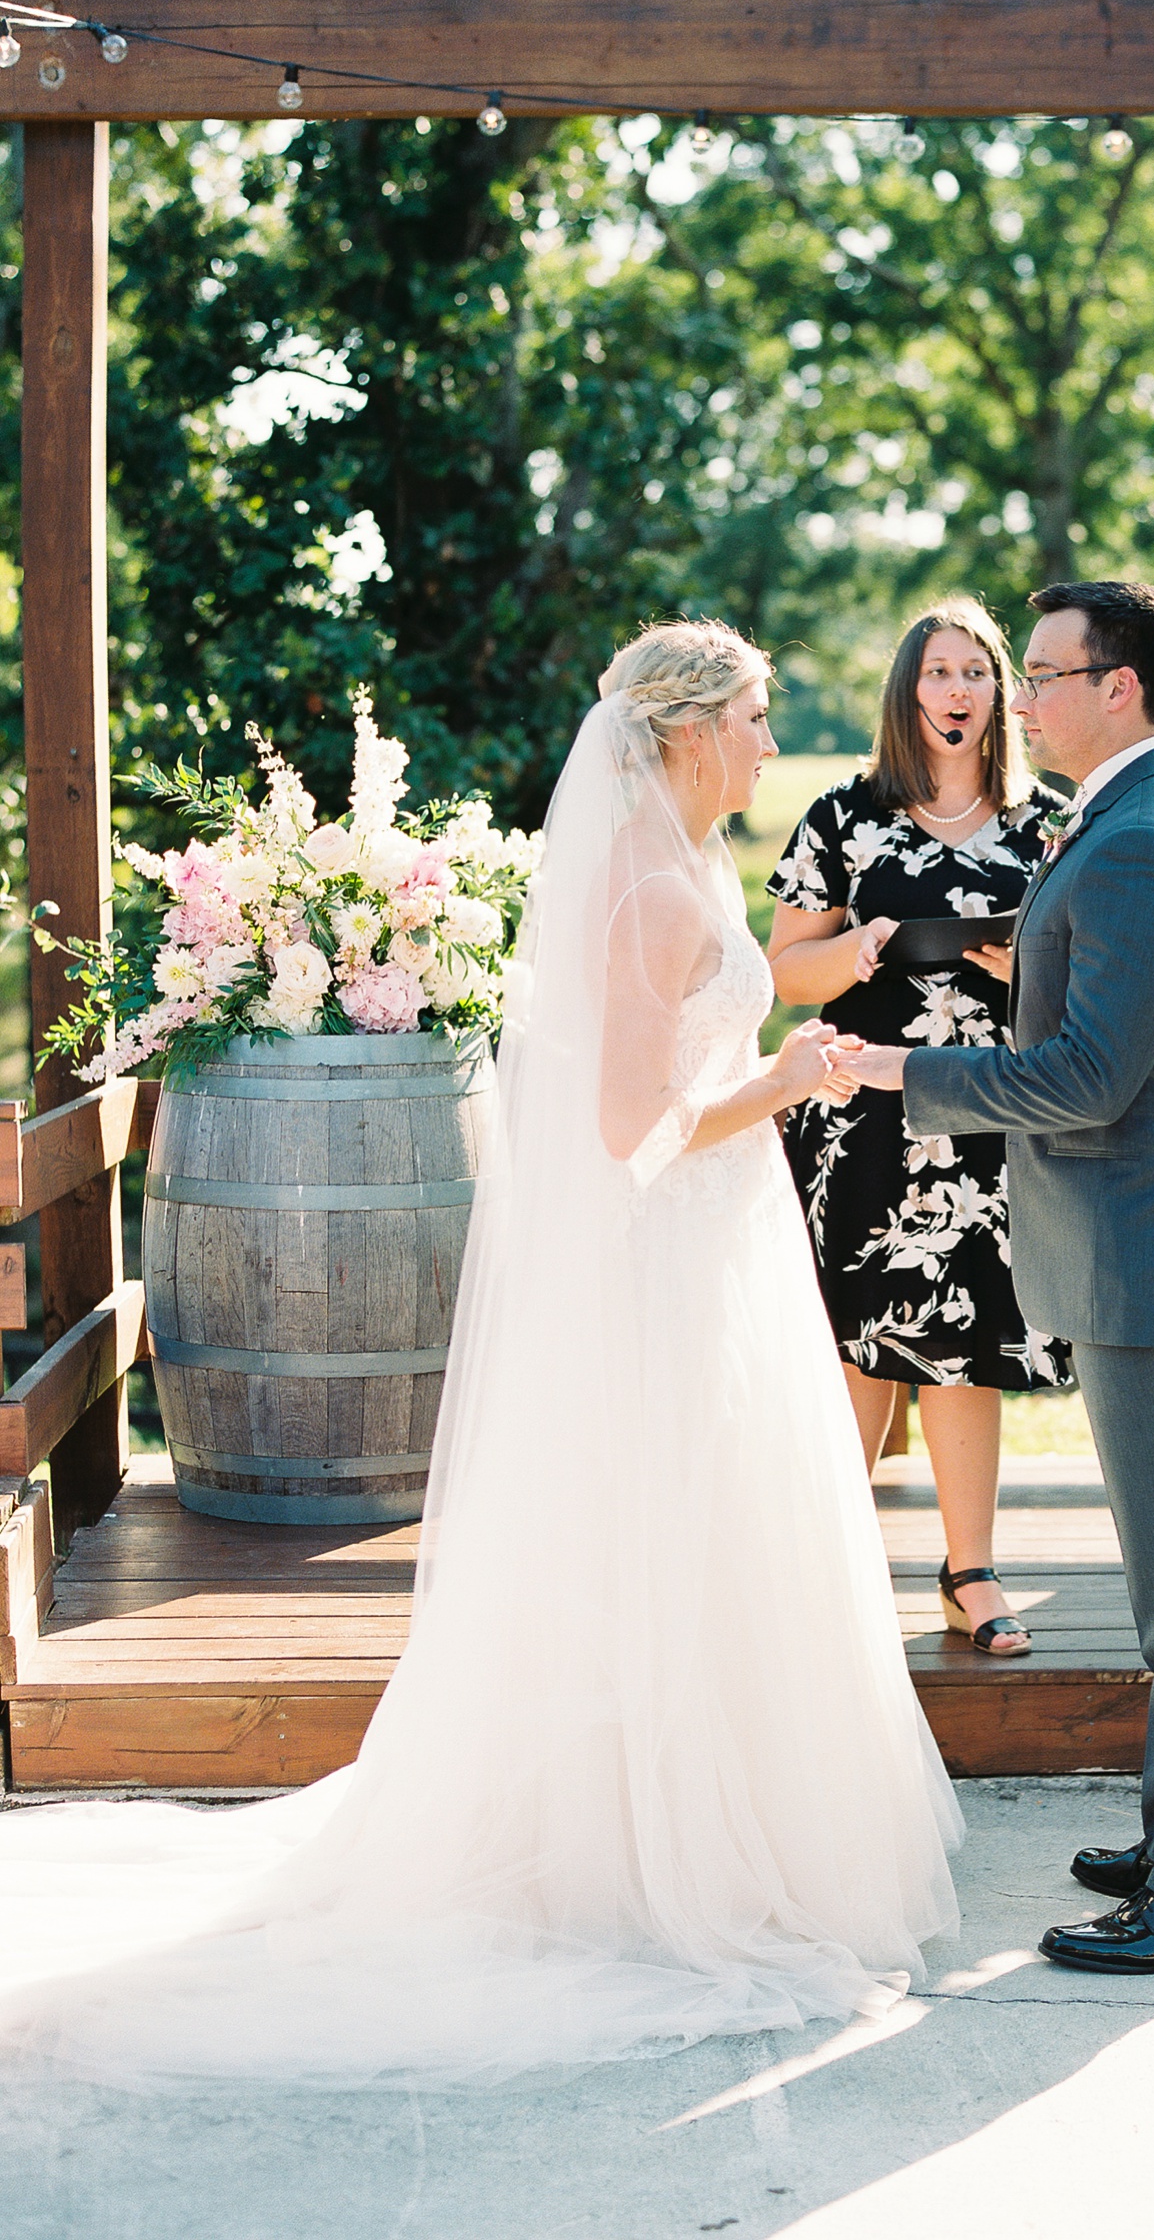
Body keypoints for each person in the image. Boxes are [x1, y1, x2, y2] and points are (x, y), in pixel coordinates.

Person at [0, 621, 960, 2086]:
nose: (774, 741)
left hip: (718, 1239)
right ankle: (649, 1857)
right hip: (672, 1251)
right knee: (672, 1523)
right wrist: (780, 1080)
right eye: (759, 716)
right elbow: (625, 1132)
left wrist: (764, 1083)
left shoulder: (684, 860)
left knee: (708, 1531)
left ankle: (706, 1823)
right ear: (693, 727)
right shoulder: (646, 886)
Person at [853, 579, 1154, 1974]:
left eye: (1043, 674)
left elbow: (1090, 1080)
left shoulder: (1147, 837)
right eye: (1021, 674)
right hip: (1144, 1243)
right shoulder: (1132, 813)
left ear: (1123, 688)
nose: (1018, 699)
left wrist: (896, 1066)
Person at [767, 597, 1072, 1658]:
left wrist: (1020, 964)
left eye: (977, 672)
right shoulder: (842, 816)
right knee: (856, 1342)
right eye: (938, 673)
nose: (957, 691)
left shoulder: (1053, 824)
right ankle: (826, 1579)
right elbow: (781, 969)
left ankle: (970, 1574)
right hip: (860, 1111)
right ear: (908, 692)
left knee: (967, 1343)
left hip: (990, 1116)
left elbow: (1090, 982)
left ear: (1005, 695)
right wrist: (863, 947)